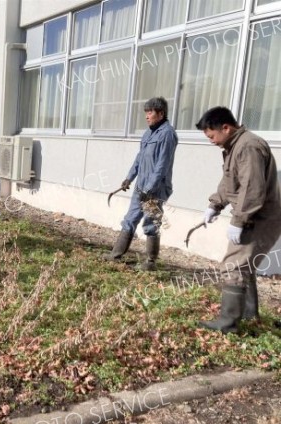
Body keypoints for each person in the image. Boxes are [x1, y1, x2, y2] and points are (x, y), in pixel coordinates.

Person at [196, 106, 281, 333]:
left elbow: (252, 189)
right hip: (253, 216)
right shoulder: (233, 147)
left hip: (260, 218)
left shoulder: (248, 146)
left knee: (234, 265)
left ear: (226, 127)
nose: (211, 141)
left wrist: (239, 221)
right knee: (244, 265)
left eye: (212, 136)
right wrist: (214, 205)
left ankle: (228, 324)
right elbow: (229, 183)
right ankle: (249, 314)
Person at [106, 97, 178, 270]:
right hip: (141, 186)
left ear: (161, 113)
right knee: (130, 219)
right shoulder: (148, 133)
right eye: (146, 112)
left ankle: (150, 262)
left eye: (150, 112)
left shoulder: (167, 134)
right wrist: (129, 178)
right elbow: (139, 158)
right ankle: (116, 255)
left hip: (156, 188)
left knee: (151, 222)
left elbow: (162, 165)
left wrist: (150, 188)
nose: (147, 116)